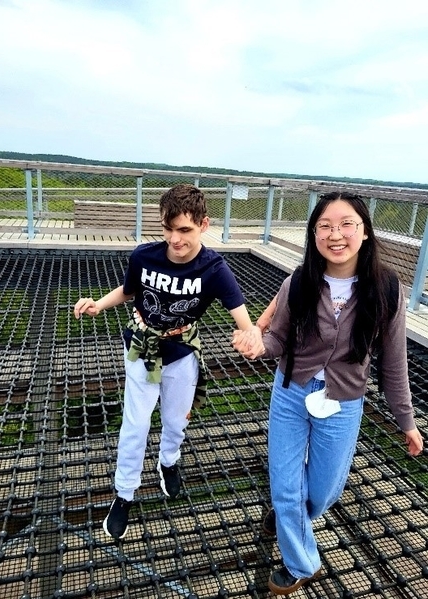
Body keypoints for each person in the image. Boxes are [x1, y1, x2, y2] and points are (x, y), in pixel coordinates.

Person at [233, 191, 424, 596]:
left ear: (366, 231)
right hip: (290, 392)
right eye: (325, 226)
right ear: (314, 233)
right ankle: (303, 563)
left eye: (346, 224)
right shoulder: (298, 281)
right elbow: (278, 339)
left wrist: (406, 421)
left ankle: (288, 517)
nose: (335, 235)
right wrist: (257, 346)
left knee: (323, 490)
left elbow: (393, 362)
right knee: (285, 485)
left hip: (343, 401)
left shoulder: (387, 288)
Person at [74, 183, 259, 541]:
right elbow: (128, 292)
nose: (175, 239)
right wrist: (98, 303)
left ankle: (169, 461)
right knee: (136, 424)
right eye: (168, 228)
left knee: (176, 420)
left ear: (204, 224)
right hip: (142, 349)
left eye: (185, 230)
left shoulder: (215, 269)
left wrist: (250, 335)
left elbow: (243, 318)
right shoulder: (144, 257)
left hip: (181, 352)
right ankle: (124, 493)